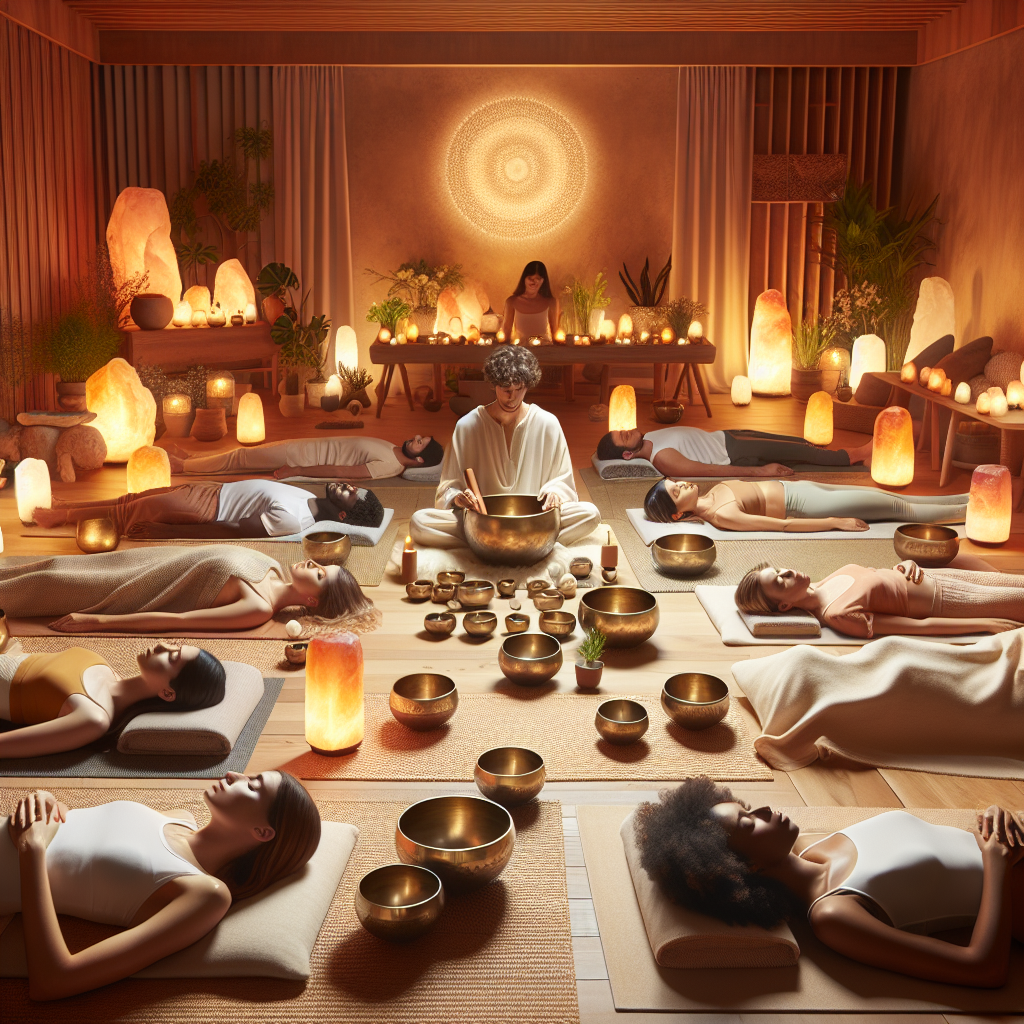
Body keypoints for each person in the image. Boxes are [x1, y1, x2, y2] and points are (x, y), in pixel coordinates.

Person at [633, 778, 1023, 987]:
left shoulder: (818, 847)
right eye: (750, 822)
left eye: (748, 809)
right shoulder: (834, 914)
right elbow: (981, 969)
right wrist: (996, 862)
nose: (767, 809)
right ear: (746, 866)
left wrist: (994, 819)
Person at [2, 772, 321, 999]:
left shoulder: (206, 894)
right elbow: (83, 842)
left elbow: (53, 980)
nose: (233, 773)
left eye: (253, 785)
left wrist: (32, 850)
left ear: (262, 832)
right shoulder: (179, 818)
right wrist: (48, 804)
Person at [410, 347, 600, 549]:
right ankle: (532, 544)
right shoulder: (466, 426)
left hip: (534, 522)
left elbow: (563, 481)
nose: (513, 397)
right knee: (420, 521)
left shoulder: (548, 423)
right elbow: (448, 487)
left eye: (520, 389)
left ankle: (488, 545)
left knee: (589, 514)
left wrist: (556, 493)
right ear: (493, 385)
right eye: (506, 390)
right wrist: (458, 498)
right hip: (483, 523)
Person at [0, 547, 378, 634]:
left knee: (46, 585)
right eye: (320, 564)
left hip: (132, 589)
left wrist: (97, 619)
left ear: (311, 600)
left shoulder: (257, 607)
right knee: (53, 565)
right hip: (140, 560)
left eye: (319, 575)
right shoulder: (271, 566)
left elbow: (178, 620)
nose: (313, 564)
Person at [0, 642, 225, 758]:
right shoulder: (107, 669)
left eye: (173, 656)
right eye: (176, 645)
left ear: (167, 693)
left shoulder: (93, 719)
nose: (162, 645)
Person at [735, 560, 1024, 638]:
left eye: (778, 570)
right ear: (784, 605)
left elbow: (881, 576)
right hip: (951, 602)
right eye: (779, 580)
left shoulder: (826, 581)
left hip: (938, 577)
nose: (786, 571)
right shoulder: (837, 614)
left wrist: (905, 563)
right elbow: (919, 627)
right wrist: (984, 624)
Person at [32, 480, 385, 540]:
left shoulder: (295, 520)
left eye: (352, 495)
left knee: (128, 515)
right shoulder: (308, 496)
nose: (347, 486)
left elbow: (231, 529)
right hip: (211, 491)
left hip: (206, 509)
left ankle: (58, 519)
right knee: (131, 499)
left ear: (342, 515)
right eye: (354, 486)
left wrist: (168, 532)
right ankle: (69, 506)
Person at [643, 478, 970, 532]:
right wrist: (833, 522)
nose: (683, 484)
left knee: (892, 498)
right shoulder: (722, 515)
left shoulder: (710, 493)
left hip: (801, 487)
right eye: (677, 491)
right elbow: (783, 526)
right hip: (806, 505)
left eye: (675, 481)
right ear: (678, 513)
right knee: (900, 510)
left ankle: (971, 498)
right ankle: (973, 512)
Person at [597, 425, 875, 477]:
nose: (629, 430)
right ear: (627, 455)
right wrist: (761, 472)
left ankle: (854, 459)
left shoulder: (649, 439)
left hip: (727, 436)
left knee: (795, 443)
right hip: (734, 453)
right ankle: (858, 454)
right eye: (624, 436)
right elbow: (710, 471)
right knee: (800, 452)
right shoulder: (662, 458)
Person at [166, 434, 443, 480]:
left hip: (303, 457)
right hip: (304, 444)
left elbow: (339, 472)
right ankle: (194, 456)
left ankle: (184, 466)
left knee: (241, 457)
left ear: (419, 460)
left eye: (420, 443)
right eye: (420, 438)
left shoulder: (391, 466)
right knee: (245, 453)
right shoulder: (393, 447)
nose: (415, 438)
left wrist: (296, 470)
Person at [501, 261, 559, 342]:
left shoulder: (551, 302)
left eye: (537, 279)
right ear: (524, 279)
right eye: (530, 278)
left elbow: (555, 333)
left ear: (543, 280)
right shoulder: (511, 302)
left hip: (545, 350)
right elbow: (506, 332)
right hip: (520, 351)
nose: (533, 282)